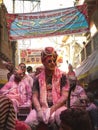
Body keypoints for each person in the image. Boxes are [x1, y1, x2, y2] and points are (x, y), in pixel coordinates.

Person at [25, 47, 69, 129]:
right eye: (49, 61)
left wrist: (51, 109)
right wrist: (39, 110)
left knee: (62, 120)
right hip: (42, 108)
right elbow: (34, 96)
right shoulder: (37, 78)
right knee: (28, 122)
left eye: (54, 60)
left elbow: (64, 96)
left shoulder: (63, 75)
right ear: (43, 62)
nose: (52, 63)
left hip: (58, 107)